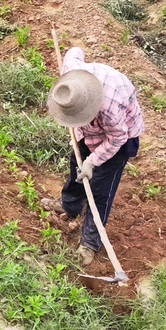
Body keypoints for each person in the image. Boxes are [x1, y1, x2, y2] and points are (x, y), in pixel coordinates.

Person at [41, 47, 144, 266]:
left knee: (100, 188)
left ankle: (90, 242)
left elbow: (117, 138)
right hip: (90, 131)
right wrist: (83, 158)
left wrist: (93, 161)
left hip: (120, 137)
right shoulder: (71, 78)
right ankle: (69, 206)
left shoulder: (109, 109)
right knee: (75, 165)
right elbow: (74, 51)